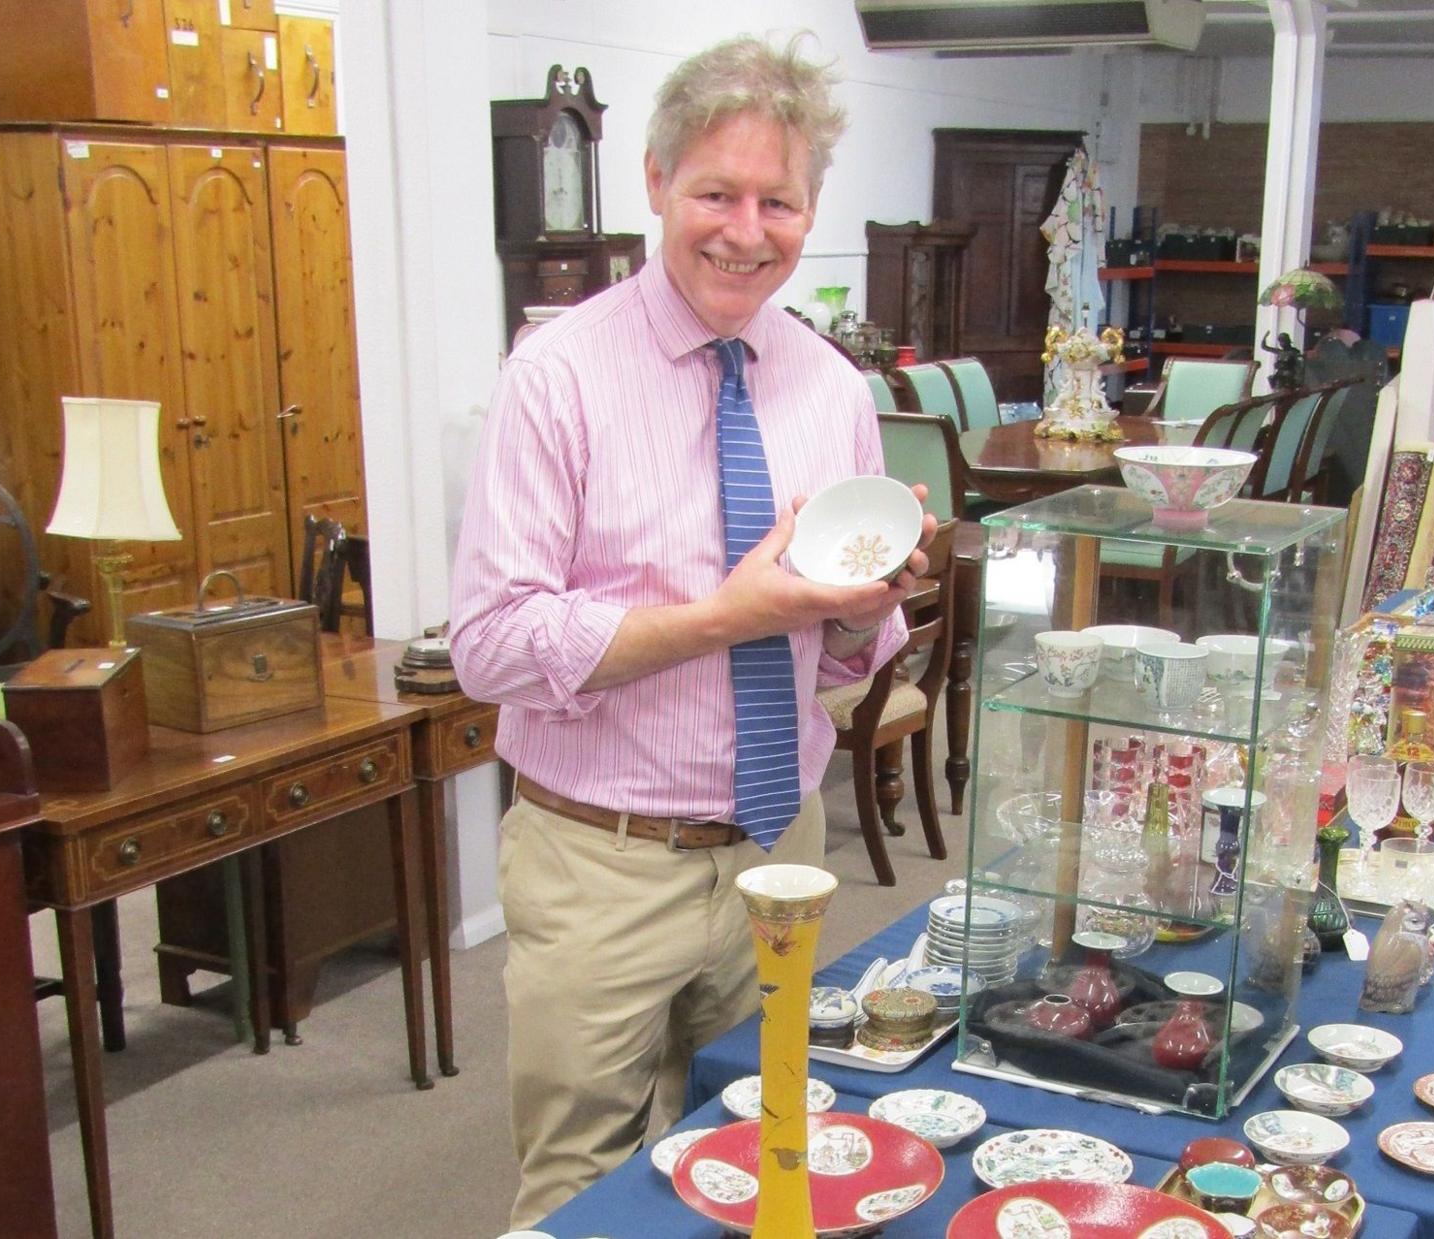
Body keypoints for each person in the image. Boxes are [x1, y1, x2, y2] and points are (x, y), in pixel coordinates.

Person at [448, 34, 936, 1227]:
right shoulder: (556, 374)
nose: (745, 228)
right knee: (582, 1193)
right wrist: (726, 618)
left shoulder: (828, 386)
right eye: (716, 192)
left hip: (779, 836)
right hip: (602, 860)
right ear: (658, 180)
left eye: (778, 201)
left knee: (763, 1157)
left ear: (811, 209)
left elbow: (836, 655)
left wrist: (862, 611)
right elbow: (492, 644)